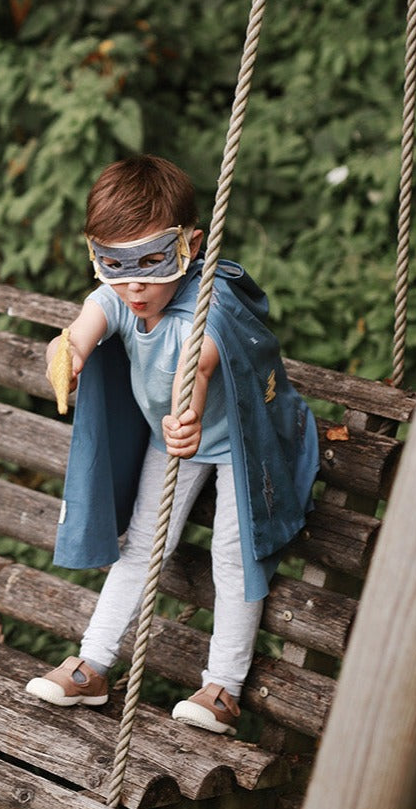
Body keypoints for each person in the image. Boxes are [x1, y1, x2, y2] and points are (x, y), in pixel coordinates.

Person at [25, 155, 319, 735]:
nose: (134, 285)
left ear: (190, 246)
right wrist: (69, 353)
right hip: (174, 441)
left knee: (234, 557)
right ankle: (93, 665)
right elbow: (86, 322)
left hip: (241, 443)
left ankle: (222, 689)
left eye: (151, 262)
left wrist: (188, 412)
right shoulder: (121, 295)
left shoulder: (211, 304)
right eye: (114, 263)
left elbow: (203, 359)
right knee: (141, 546)